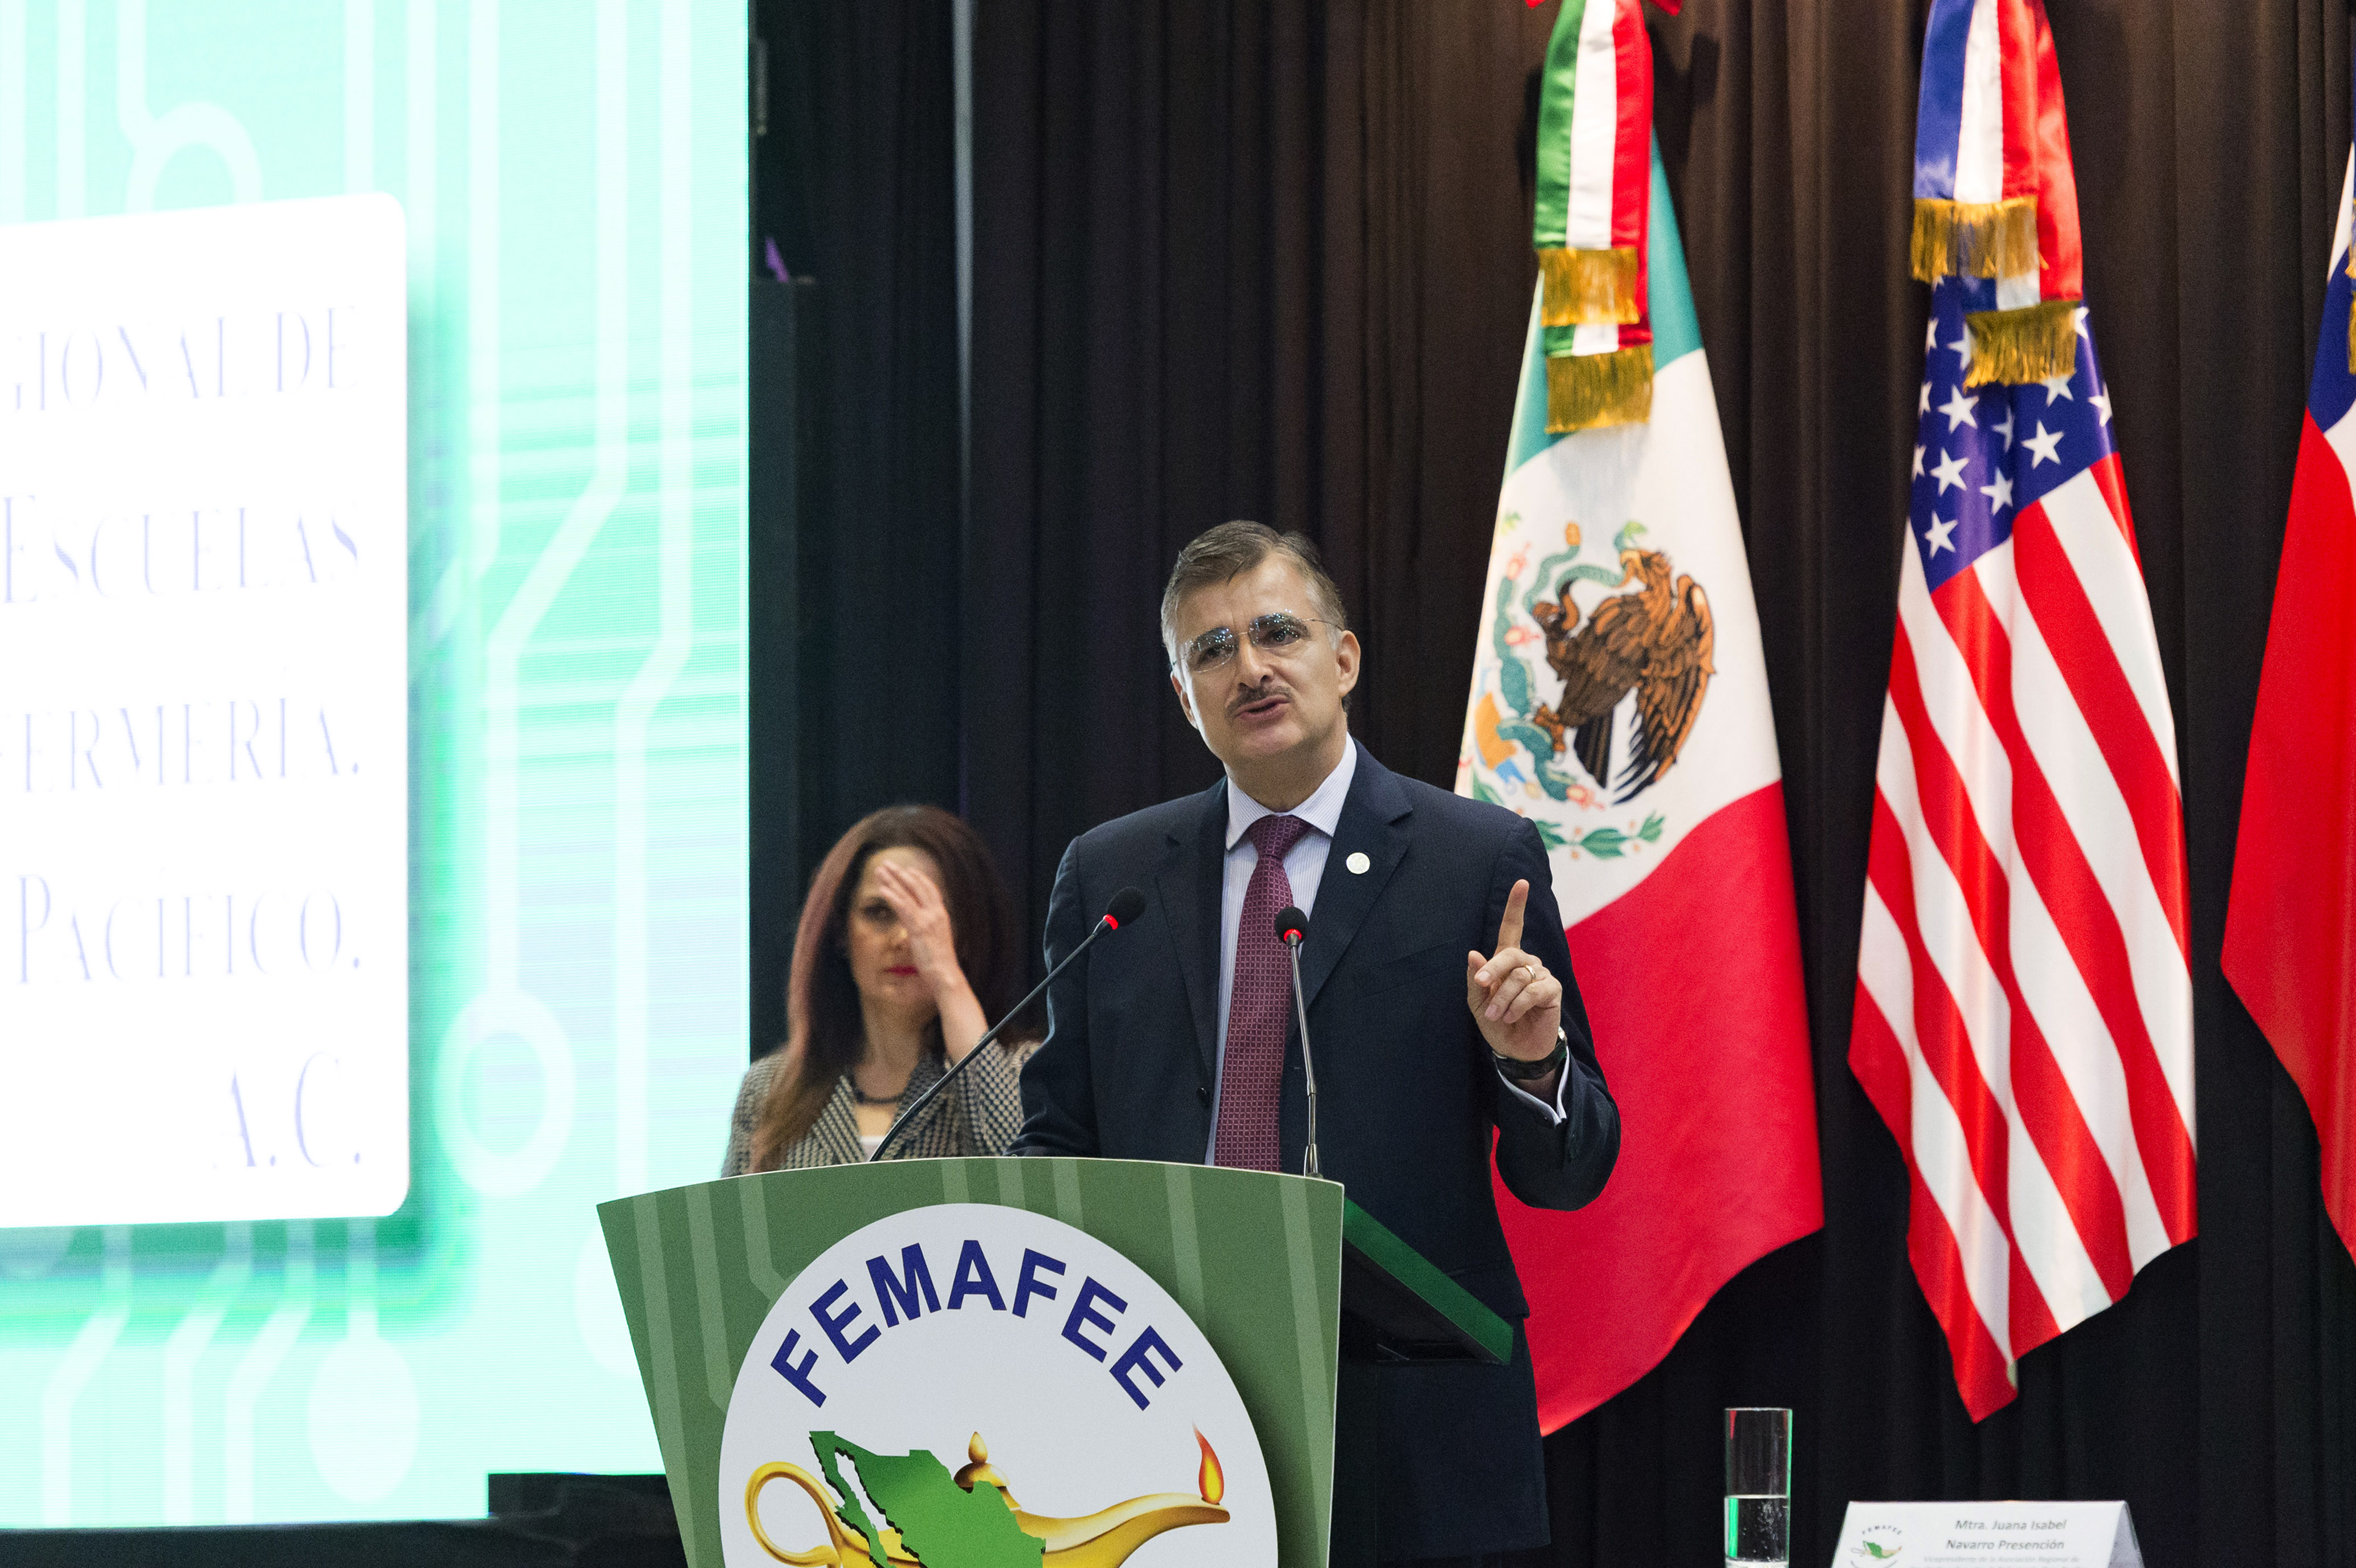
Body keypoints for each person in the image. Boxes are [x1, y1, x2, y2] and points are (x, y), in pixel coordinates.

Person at [1012, 521, 1619, 1567]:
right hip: (1162, 1417)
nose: (1245, 667)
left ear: (1341, 658)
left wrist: (1530, 1062)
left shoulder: (1471, 859)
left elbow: (1569, 1173)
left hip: (1411, 1435)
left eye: (1275, 632)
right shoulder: (1111, 877)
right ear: (1181, 697)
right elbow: (1059, 1139)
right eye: (1209, 650)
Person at [725, 806, 1030, 1173]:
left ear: (967, 932)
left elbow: (1025, 1196)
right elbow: (737, 1230)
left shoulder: (1024, 1072)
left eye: (926, 916)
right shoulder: (767, 1091)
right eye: (880, 913)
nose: (904, 938)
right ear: (841, 931)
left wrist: (947, 979)